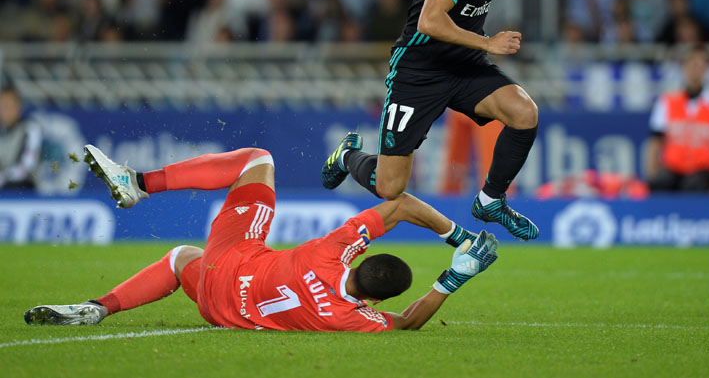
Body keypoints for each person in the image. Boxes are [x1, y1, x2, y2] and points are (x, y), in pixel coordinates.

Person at [24, 144, 497, 331]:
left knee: (258, 159)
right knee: (180, 257)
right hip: (220, 308)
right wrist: (454, 279)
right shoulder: (346, 318)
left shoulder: (332, 253)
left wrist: (457, 237)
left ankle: (139, 184)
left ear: (360, 260)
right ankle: (96, 307)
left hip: (229, 261)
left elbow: (398, 206)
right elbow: (407, 323)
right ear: (375, 299)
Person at [321, 0, 540, 241]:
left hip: (462, 64)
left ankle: (490, 200)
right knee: (390, 187)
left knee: (523, 112)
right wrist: (488, 43)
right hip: (418, 70)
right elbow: (430, 22)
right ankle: (348, 157)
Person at [646, 45, 709, 193]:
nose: (695, 70)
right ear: (683, 68)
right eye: (691, 64)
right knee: (661, 183)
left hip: (702, 170)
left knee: (692, 186)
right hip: (672, 168)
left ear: (707, 70)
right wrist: (651, 175)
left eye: (700, 65)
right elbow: (655, 143)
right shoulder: (667, 101)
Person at [0, 86, 42, 190]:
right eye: (3, 106)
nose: (6, 111)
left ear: (19, 107)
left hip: (23, 190)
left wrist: (4, 177)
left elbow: (27, 166)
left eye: (10, 106)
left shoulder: (30, 129)